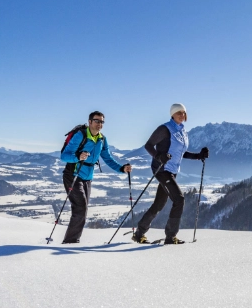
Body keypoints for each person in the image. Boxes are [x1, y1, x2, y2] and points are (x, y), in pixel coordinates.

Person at [133, 103, 209, 244]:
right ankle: (170, 236)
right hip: (162, 169)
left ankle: (139, 233)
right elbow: (148, 145)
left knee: (159, 205)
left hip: (172, 171)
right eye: (179, 112)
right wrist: (158, 156)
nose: (182, 115)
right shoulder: (165, 129)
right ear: (172, 114)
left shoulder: (182, 131)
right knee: (179, 200)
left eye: (184, 112)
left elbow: (180, 153)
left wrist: (198, 155)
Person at [60, 111, 131, 244]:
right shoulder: (80, 135)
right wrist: (77, 157)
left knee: (83, 208)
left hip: (87, 177)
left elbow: (108, 158)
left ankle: (72, 240)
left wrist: (121, 169)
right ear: (90, 121)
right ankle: (71, 241)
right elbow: (64, 156)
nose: (99, 124)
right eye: (97, 121)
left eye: (102, 122)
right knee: (80, 207)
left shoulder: (102, 139)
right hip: (73, 175)